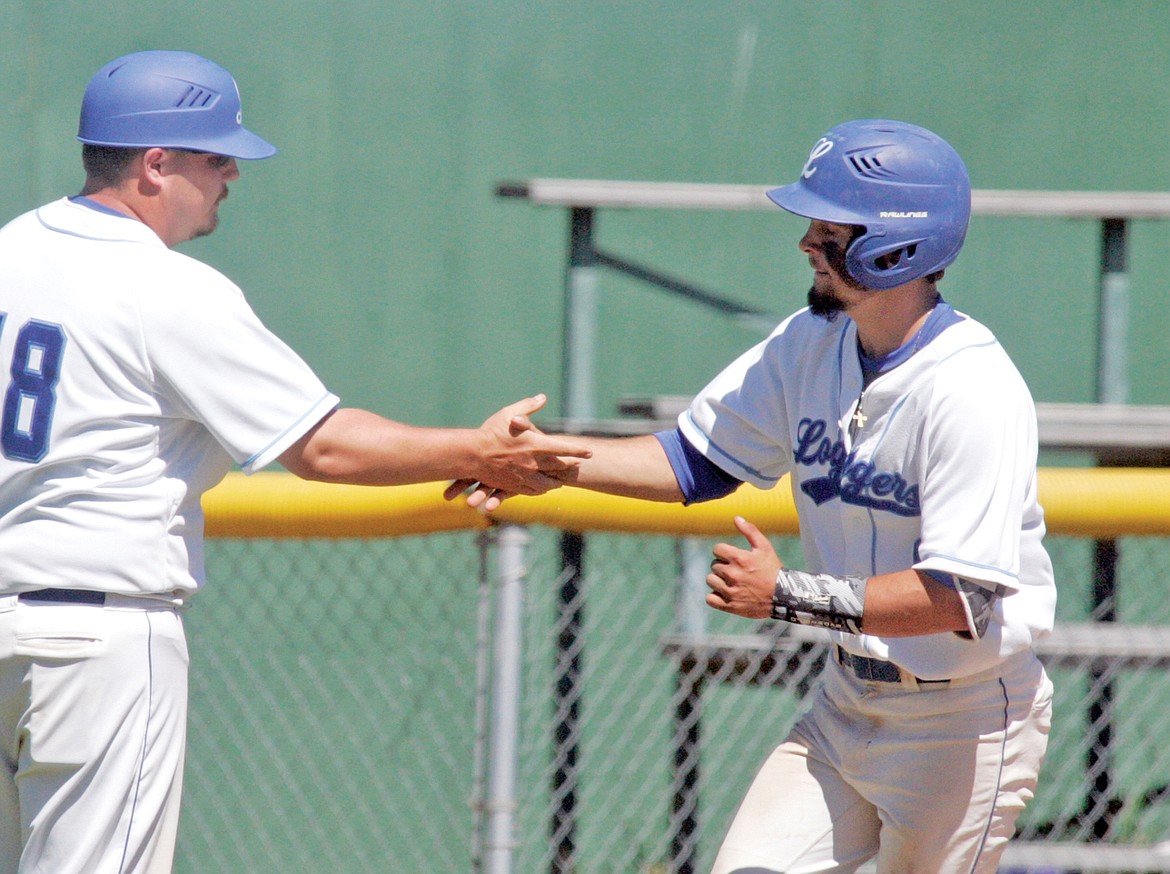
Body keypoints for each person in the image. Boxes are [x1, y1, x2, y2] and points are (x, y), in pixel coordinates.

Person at [0, 50, 589, 874]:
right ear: (156, 165)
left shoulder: (11, 250)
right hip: (96, 638)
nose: (232, 174)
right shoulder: (163, 286)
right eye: (216, 156)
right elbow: (324, 446)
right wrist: (476, 451)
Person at [472, 119, 1056, 872]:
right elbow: (692, 462)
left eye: (831, 227)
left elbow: (959, 598)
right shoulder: (810, 343)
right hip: (847, 702)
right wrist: (543, 463)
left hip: (964, 720)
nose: (807, 243)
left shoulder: (972, 387)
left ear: (899, 243)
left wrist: (786, 595)